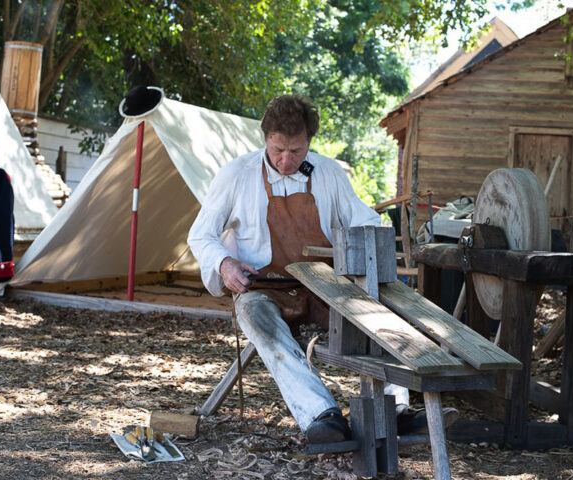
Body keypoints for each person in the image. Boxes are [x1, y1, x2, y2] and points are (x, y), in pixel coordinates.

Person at [188, 95, 453, 443]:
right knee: (256, 317)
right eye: (278, 149)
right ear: (266, 137)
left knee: (379, 315)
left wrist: (376, 242)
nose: (285, 160)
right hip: (266, 289)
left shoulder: (327, 173)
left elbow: (364, 220)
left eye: (296, 151)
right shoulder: (237, 174)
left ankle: (395, 411)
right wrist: (224, 263)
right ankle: (321, 415)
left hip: (325, 287)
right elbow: (201, 234)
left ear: (309, 143)